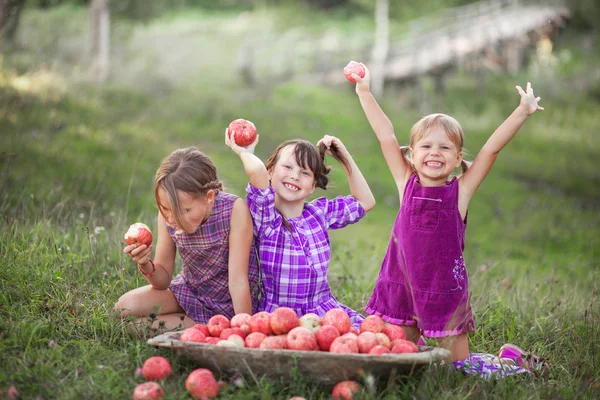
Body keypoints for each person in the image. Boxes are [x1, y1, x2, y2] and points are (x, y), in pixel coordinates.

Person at [351, 63, 544, 372]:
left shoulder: (460, 193)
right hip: (401, 288)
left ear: (457, 159)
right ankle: (425, 355)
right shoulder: (406, 184)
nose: (434, 152)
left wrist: (522, 111)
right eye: (426, 146)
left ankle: (512, 363)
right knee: (397, 362)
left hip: (445, 295)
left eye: (444, 147)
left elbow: (491, 150)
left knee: (462, 369)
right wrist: (364, 92)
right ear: (412, 155)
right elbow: (386, 134)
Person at [225, 131, 376, 328]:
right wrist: (244, 151)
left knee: (365, 338)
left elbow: (366, 201)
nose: (295, 176)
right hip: (280, 317)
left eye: (305, 173)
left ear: (313, 185)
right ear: (269, 172)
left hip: (324, 313)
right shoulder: (266, 219)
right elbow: (255, 171)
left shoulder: (319, 213)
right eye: (287, 167)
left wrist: (344, 157)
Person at [114, 147, 260, 332]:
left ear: (208, 197)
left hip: (227, 303)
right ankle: (194, 324)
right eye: (165, 209)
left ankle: (212, 327)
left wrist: (243, 328)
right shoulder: (168, 214)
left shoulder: (233, 210)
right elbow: (163, 280)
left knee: (135, 327)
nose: (172, 219)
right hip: (189, 293)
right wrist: (145, 264)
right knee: (123, 308)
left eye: (184, 211)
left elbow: (238, 281)